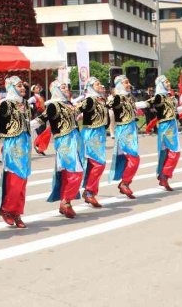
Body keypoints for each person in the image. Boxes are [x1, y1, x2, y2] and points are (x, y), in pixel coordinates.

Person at [0, 76, 32, 228]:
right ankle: (7, 210)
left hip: (25, 144)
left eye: (23, 85)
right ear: (11, 87)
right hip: (12, 144)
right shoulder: (6, 103)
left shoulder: (25, 104)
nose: (23, 88)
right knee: (13, 179)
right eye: (19, 86)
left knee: (23, 179)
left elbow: (29, 123)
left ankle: (17, 212)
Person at [33, 80, 84, 218]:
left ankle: (66, 202)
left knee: (69, 172)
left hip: (74, 140)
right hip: (64, 141)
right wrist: (25, 128)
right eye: (62, 87)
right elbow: (41, 120)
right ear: (55, 89)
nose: (66, 88)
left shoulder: (68, 103)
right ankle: (65, 201)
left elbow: (76, 117)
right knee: (75, 171)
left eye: (66, 86)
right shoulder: (53, 105)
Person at [108, 75, 147, 199]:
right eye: (126, 82)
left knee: (132, 158)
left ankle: (125, 182)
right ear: (119, 84)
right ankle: (124, 182)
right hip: (123, 130)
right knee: (134, 158)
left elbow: (136, 106)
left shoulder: (129, 97)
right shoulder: (118, 98)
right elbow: (107, 106)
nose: (129, 84)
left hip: (131, 129)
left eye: (128, 82)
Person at [76, 78, 109, 208]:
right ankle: (89, 192)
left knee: (95, 164)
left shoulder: (101, 99)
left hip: (100, 134)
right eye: (96, 83)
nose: (100, 85)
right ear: (90, 86)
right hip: (90, 134)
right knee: (98, 163)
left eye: (100, 83)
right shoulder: (89, 99)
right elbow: (76, 108)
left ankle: (90, 192)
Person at [149, 75, 181, 191]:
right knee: (174, 152)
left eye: (168, 81)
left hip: (172, 126)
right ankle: (164, 175)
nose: (169, 83)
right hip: (165, 127)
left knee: (167, 152)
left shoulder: (170, 97)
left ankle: (163, 176)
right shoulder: (159, 97)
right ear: (161, 84)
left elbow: (177, 112)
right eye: (166, 82)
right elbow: (148, 103)